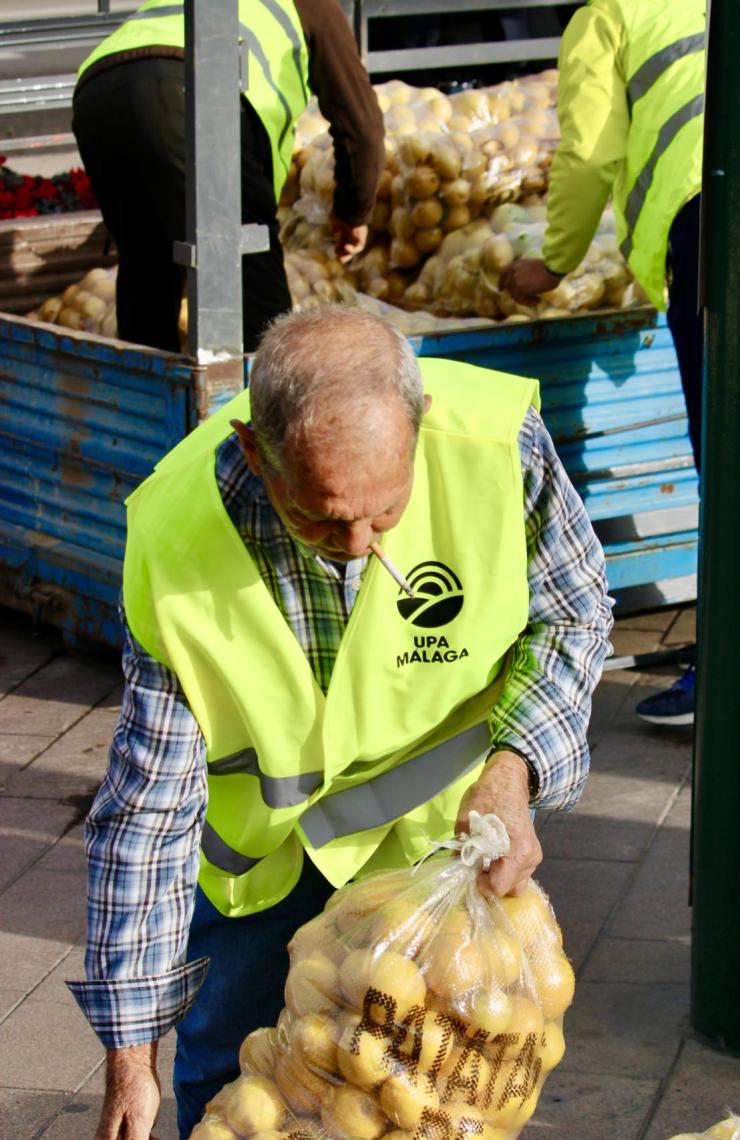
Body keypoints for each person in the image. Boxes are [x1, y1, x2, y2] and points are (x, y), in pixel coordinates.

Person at [67, 306, 614, 1139]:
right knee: (235, 1088)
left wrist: (515, 770)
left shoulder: (499, 447)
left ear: (418, 424)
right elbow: (147, 814)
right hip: (263, 875)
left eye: (385, 512)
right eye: (321, 517)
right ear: (255, 451)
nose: (357, 545)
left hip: (439, 853)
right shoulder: (175, 538)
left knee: (432, 1098)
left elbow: (572, 617)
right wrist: (128, 1060)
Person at [500, 0, 705, 727]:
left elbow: (588, 154)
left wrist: (552, 261)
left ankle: (724, 679)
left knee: (733, 463)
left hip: (712, 224)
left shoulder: (609, 13)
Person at [71, 0, 384, 354]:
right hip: (185, 88)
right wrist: (354, 212)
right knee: (252, 286)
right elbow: (361, 127)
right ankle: (259, 403)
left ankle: (148, 401)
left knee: (147, 274)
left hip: (97, 93)